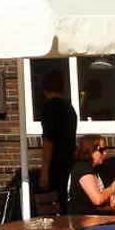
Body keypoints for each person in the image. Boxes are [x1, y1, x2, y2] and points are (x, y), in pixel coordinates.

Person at [37, 70, 78, 211]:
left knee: (51, 207)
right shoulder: (69, 108)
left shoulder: (49, 108)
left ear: (43, 88)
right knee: (64, 203)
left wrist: (44, 170)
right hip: (68, 163)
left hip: (55, 164)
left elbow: (48, 141)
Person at [65, 136, 115, 215]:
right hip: (83, 219)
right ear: (90, 150)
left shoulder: (96, 170)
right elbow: (97, 199)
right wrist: (114, 186)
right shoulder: (82, 169)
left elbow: (104, 194)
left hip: (95, 216)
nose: (105, 153)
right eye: (101, 150)